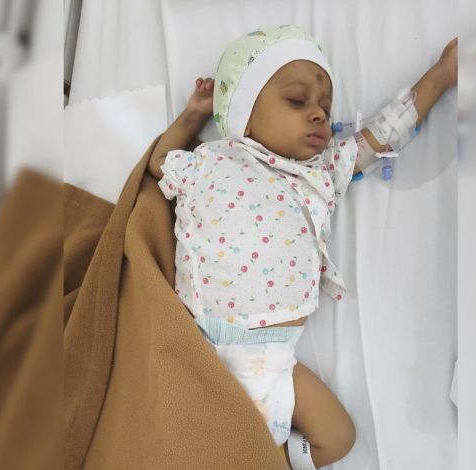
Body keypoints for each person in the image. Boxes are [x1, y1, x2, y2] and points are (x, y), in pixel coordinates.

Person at [151, 25, 456, 469]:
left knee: (339, 438)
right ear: (244, 116)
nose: (317, 115)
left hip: (274, 357)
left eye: (325, 108)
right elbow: (160, 162)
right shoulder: (209, 161)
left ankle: (273, 458)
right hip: (203, 349)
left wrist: (442, 75)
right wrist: (194, 115)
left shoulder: (320, 171)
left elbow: (383, 135)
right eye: (297, 101)